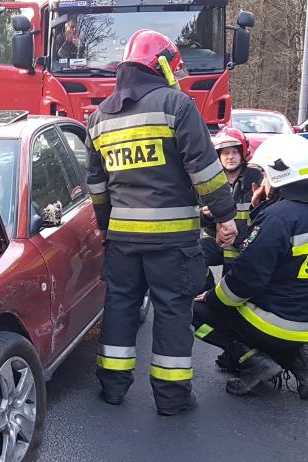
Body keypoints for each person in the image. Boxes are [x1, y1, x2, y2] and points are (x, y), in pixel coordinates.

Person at [86, 29, 237, 415]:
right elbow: (205, 172)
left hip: (122, 240)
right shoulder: (177, 106)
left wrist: (106, 225)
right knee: (171, 312)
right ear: (163, 65)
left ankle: (113, 388)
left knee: (120, 307)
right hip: (171, 242)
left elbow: (97, 187)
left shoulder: (99, 118)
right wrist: (224, 217)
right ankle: (171, 400)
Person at [193, 134, 308, 398]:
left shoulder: (278, 218)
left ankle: (253, 359)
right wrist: (262, 210)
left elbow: (244, 282)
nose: (263, 181)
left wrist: (211, 298)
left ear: (279, 175)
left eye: (266, 175)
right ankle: (295, 354)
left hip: (271, 323)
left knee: (191, 313)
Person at [200, 127, 263, 372]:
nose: (229, 157)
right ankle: (207, 298)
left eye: (234, 152)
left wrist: (239, 240)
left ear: (242, 152)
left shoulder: (256, 177)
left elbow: (266, 216)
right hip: (216, 242)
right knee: (194, 256)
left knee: (238, 297)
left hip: (247, 247)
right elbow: (194, 216)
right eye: (224, 153)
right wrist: (205, 217)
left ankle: (240, 350)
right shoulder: (208, 181)